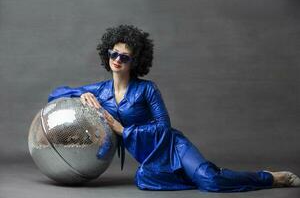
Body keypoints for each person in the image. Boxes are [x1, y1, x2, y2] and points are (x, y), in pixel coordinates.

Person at [48, 24, 300, 192]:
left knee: (210, 181)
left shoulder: (148, 89)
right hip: (150, 161)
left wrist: (123, 131)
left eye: (124, 57)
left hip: (171, 146)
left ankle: (269, 177)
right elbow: (55, 94)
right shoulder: (100, 91)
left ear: (135, 62)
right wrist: (83, 95)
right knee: (143, 179)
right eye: (113, 54)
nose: (117, 60)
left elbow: (164, 127)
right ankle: (197, 176)